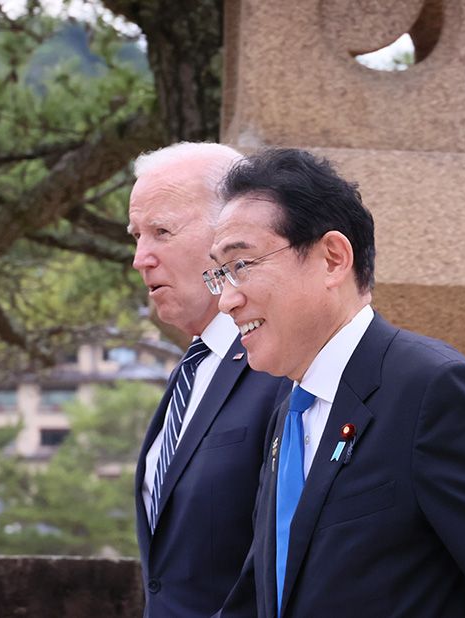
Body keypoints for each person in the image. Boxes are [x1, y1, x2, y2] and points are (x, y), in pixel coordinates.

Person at [208, 148, 465, 617]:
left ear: (332, 259)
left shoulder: (435, 391)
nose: (226, 300)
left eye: (242, 265)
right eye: (220, 274)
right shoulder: (290, 411)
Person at [127, 142, 289, 617]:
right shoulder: (193, 367)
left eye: (161, 231)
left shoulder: (282, 364)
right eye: (136, 236)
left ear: (231, 231)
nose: (140, 258)